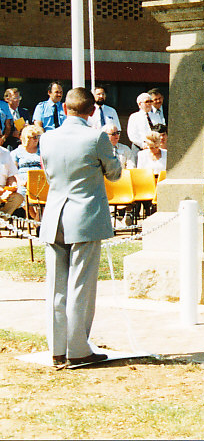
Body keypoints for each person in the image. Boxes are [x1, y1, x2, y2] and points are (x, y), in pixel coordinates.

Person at [39, 87, 122, 367]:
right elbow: (115, 173)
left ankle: (57, 348)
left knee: (56, 286)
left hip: (54, 214)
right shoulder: (96, 136)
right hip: (85, 215)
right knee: (81, 285)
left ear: (64, 109)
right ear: (92, 111)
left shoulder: (47, 137)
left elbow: (50, 173)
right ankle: (77, 349)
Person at [11, 125, 43, 219]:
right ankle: (35, 219)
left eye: (38, 137)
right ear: (26, 138)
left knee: (45, 194)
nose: (36, 139)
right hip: (24, 181)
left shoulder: (42, 152)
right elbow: (13, 170)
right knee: (21, 193)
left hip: (39, 180)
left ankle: (37, 222)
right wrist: (19, 181)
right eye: (34, 137)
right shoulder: (16, 153)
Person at [0, 146, 23, 216]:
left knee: (18, 198)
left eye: (0, 136)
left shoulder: (6, 153)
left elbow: (11, 175)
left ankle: (2, 221)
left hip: (3, 189)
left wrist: (13, 186)